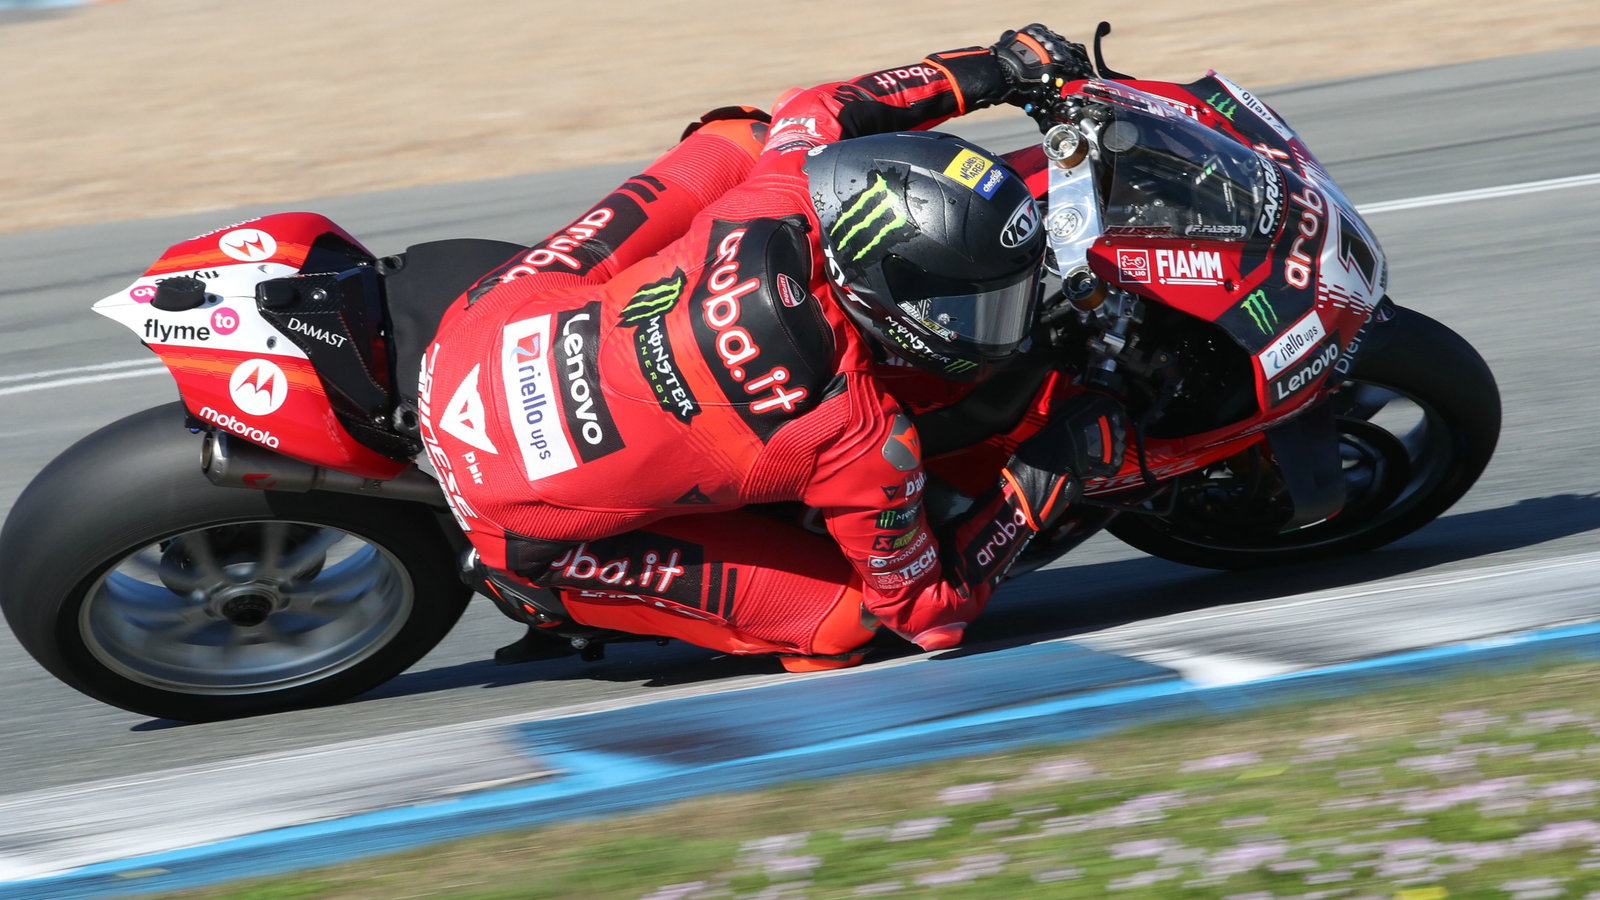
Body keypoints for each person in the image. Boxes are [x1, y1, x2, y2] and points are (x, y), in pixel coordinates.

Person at [418, 24, 1127, 671]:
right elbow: (925, 616)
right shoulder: (856, 436)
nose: (1004, 324)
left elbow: (817, 109)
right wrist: (1050, 470)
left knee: (744, 137)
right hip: (513, 512)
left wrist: (994, 68)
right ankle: (552, 593)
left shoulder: (781, 198)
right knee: (843, 627)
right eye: (973, 305)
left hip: (472, 335)